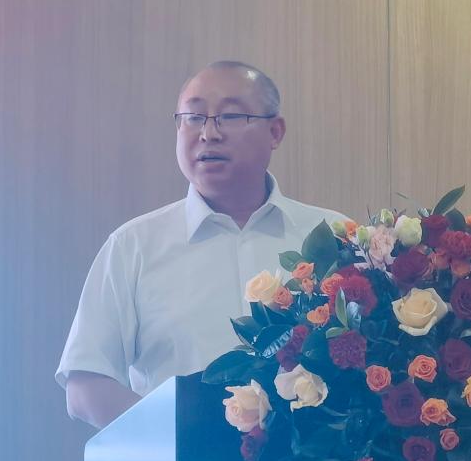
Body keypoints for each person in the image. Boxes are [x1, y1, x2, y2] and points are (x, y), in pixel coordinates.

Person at [57, 60, 348, 428]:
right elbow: (85, 386)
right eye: (193, 117)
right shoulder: (133, 247)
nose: (208, 133)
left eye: (230, 116)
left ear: (275, 132)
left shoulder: (333, 236)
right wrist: (177, 443)